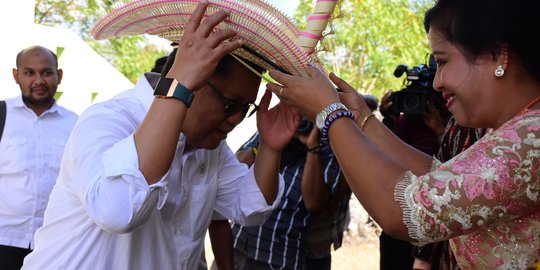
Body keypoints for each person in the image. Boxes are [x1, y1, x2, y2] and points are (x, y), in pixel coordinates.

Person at [22, 2, 300, 269]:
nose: (237, 119)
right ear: (192, 80)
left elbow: (250, 207)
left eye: (245, 108)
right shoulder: (108, 121)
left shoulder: (210, 149)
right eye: (230, 104)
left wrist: (270, 148)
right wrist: (178, 88)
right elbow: (117, 211)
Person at [267, 0, 540, 268]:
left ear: (497, 54)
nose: (437, 82)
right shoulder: (516, 129)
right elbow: (439, 179)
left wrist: (329, 113)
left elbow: (405, 211)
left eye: (442, 62)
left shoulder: (533, 137)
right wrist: (361, 119)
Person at [0, 45, 78, 270]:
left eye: (46, 72)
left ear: (58, 76)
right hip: (4, 241)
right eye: (29, 72)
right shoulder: (2, 115)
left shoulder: (76, 124)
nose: (38, 80)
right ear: (16, 76)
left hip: (54, 243)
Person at [232, 122, 343, 270]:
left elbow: (313, 202)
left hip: (278, 257)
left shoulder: (330, 148)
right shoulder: (274, 128)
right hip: (236, 246)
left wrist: (313, 147)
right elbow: (234, 171)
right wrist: (266, 144)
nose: (302, 122)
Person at [412, 116, 486, 270]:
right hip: (448, 250)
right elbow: (436, 193)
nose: (437, 89)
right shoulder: (458, 123)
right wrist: (423, 257)